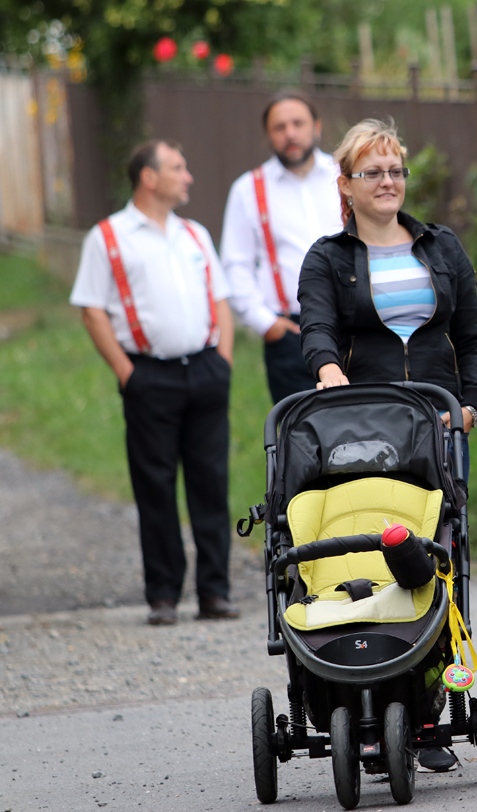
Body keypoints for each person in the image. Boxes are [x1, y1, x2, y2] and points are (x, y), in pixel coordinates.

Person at [298, 118, 477, 771]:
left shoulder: (441, 246)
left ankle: (427, 715)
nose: (387, 182)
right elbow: (316, 327)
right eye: (373, 172)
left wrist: (471, 403)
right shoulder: (328, 257)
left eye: (395, 171)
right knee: (368, 551)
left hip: (436, 424)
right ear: (346, 184)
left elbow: (471, 337)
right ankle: (365, 699)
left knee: (436, 558)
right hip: (361, 428)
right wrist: (328, 370)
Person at [69, 139, 238, 626]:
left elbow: (220, 299)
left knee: (211, 482)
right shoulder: (108, 236)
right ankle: (163, 594)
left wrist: (223, 362)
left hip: (205, 370)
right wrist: (128, 373)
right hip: (149, 375)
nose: (187, 177)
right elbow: (92, 310)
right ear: (149, 177)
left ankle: (215, 592)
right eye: (178, 168)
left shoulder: (194, 234)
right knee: (155, 486)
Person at [219, 91, 343, 403]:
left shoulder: (343, 176)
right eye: (280, 127)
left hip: (352, 320)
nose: (290, 133)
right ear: (268, 135)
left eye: (298, 123)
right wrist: (266, 323)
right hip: (291, 333)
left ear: (316, 126)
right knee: (299, 426)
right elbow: (235, 265)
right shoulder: (249, 189)